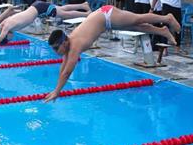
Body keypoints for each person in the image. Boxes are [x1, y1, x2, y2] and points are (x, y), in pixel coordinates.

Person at [44, 6, 181, 102]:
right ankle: (162, 31)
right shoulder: (69, 45)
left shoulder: (74, 47)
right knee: (137, 26)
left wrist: (57, 91)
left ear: (63, 43)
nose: (56, 52)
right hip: (104, 20)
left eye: (56, 49)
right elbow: (63, 67)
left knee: (138, 19)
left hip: (107, 15)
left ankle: (167, 18)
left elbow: (67, 72)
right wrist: (56, 87)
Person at [0, 1, 91, 65]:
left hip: (39, 9)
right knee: (61, 9)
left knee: (64, 14)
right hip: (36, 7)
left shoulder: (6, 28)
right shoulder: (3, 26)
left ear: (7, 36)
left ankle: (86, 14)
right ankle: (83, 5)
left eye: (9, 39)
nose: (11, 38)